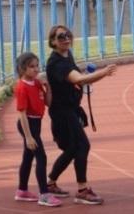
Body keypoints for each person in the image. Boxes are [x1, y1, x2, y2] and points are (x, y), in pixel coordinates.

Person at [45, 25, 117, 204]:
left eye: (68, 35)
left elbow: (76, 77)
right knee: (82, 146)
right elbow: (78, 79)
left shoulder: (67, 55)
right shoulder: (56, 62)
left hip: (70, 109)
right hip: (62, 113)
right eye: (61, 36)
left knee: (71, 149)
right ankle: (82, 190)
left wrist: (85, 78)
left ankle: (51, 183)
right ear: (53, 42)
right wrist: (103, 73)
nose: (66, 39)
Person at [13, 52, 62, 207]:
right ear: (22, 69)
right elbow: (22, 114)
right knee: (41, 156)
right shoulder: (22, 87)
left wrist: (48, 88)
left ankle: (22, 190)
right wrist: (28, 137)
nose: (36, 70)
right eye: (31, 67)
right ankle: (44, 194)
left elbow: (48, 103)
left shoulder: (37, 83)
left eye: (37, 66)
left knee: (28, 157)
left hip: (37, 123)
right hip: (27, 124)